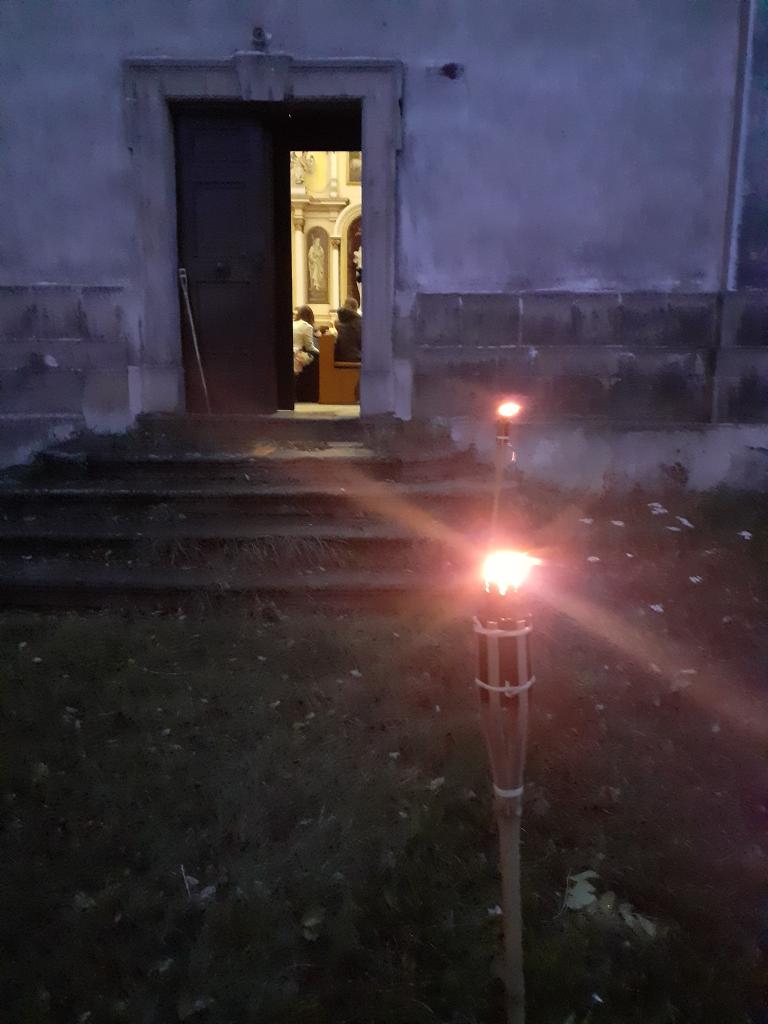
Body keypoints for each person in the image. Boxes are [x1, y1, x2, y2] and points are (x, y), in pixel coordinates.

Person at [292, 305, 319, 375]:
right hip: (297, 355)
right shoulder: (307, 326)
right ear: (310, 316)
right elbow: (309, 347)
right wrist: (321, 352)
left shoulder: (293, 323)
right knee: (317, 359)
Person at [334, 297, 362, 362]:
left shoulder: (339, 322)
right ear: (356, 309)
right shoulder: (359, 322)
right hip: (356, 359)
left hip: (340, 358)